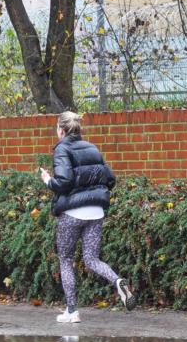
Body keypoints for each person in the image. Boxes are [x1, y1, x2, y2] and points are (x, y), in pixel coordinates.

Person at [40, 111, 135, 323]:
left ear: (61, 130)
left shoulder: (62, 148)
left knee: (65, 259)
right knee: (92, 258)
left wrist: (48, 180)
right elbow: (110, 179)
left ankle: (72, 312)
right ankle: (118, 281)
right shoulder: (92, 148)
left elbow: (63, 182)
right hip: (96, 211)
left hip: (73, 213)